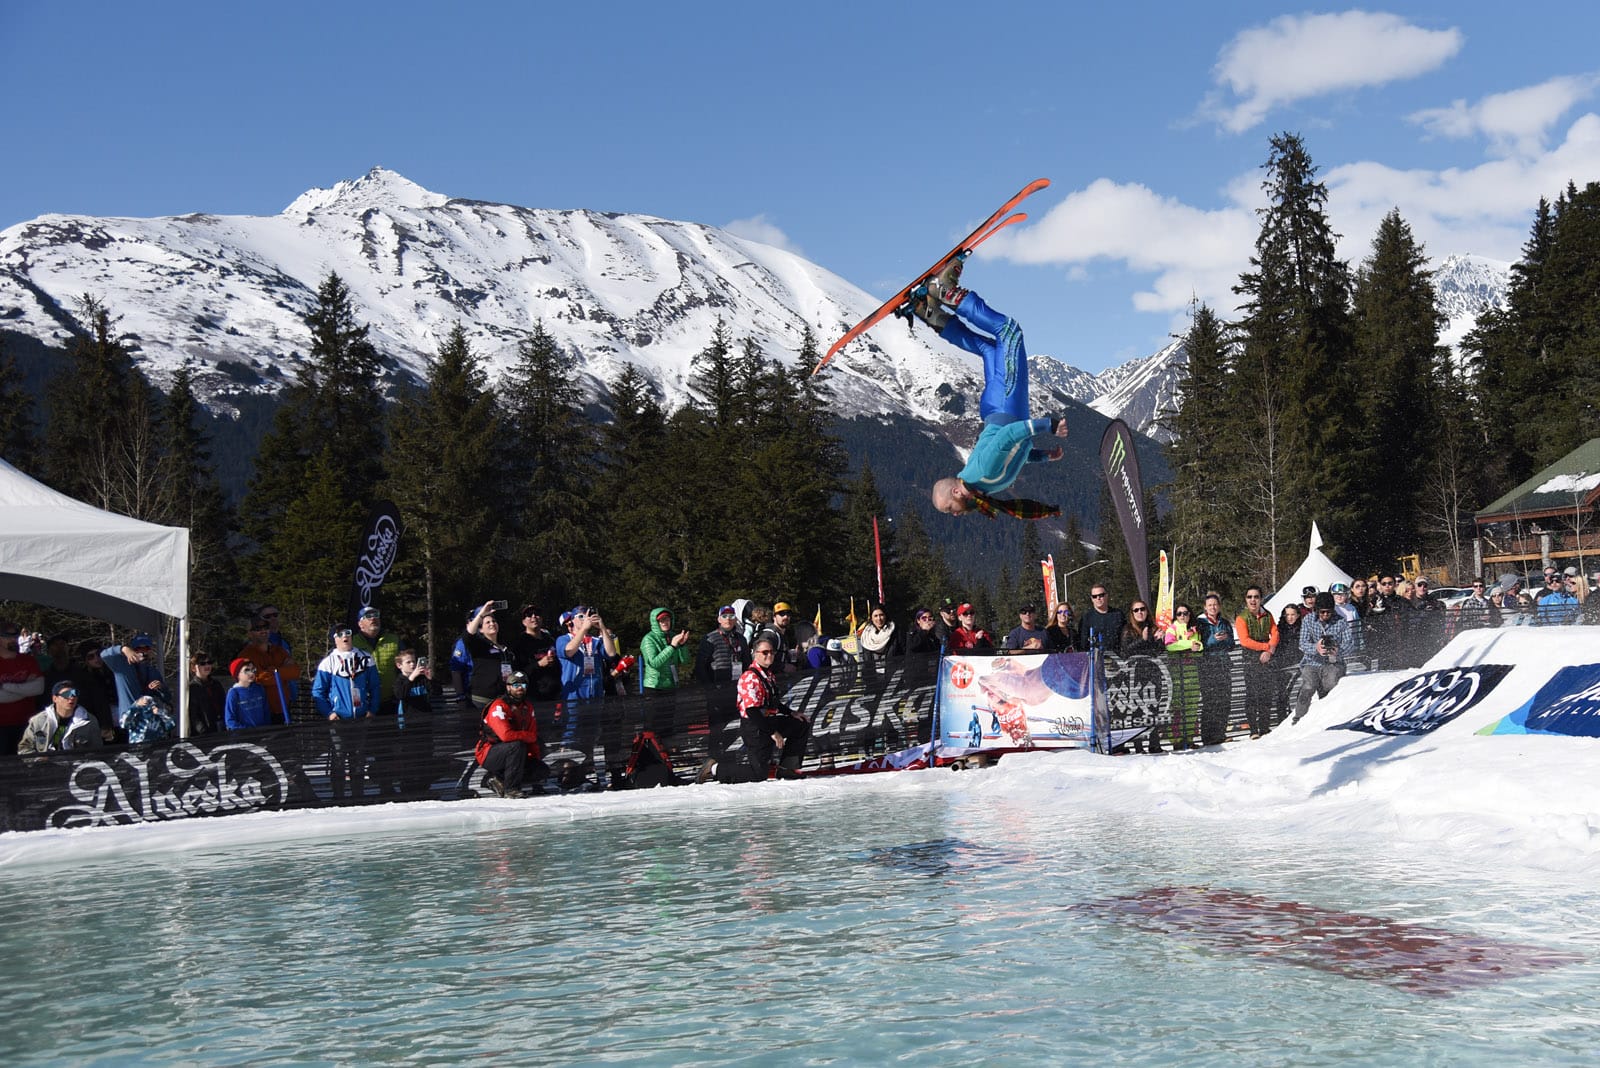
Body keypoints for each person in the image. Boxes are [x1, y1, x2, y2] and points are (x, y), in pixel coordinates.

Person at [917, 264, 1069, 521]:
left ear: (956, 491)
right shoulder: (983, 485)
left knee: (1010, 332)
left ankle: (947, 292)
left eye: (950, 508)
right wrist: (1043, 457)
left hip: (1005, 406)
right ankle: (930, 313)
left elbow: (1009, 436)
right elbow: (1012, 456)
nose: (954, 514)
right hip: (996, 410)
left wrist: (1049, 425)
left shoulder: (981, 473)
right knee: (990, 350)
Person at [312, 624, 380, 799]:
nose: (345, 637)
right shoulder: (329, 662)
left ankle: (358, 796)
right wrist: (329, 713)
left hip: (361, 717)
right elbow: (318, 692)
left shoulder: (365, 658)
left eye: (348, 633)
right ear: (334, 639)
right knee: (339, 758)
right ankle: (339, 796)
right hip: (339, 719)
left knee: (358, 758)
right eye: (340, 634)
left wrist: (372, 709)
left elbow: (375, 686)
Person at [733, 636, 810, 780]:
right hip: (755, 727)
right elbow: (752, 711)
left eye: (772, 652)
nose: (770, 655)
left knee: (801, 724)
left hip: (769, 720)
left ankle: (787, 768)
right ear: (755, 654)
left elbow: (773, 703)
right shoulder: (750, 677)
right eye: (765, 652)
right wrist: (773, 733)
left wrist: (792, 713)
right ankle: (715, 768)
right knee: (758, 775)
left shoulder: (768, 674)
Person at [474, 672, 548, 798]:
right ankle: (511, 789)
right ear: (508, 687)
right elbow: (506, 736)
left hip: (515, 750)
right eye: (516, 684)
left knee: (541, 770)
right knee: (516, 746)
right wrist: (528, 736)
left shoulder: (527, 707)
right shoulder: (499, 706)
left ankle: (498, 780)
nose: (520, 688)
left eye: (523, 684)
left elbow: (533, 735)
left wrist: (533, 760)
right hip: (489, 752)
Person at [1292, 592, 1356, 724]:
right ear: (1317, 610)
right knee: (1308, 686)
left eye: (1328, 612)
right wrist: (1316, 648)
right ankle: (1299, 717)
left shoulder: (1341, 621)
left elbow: (1350, 644)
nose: (1325, 615)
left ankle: (1330, 717)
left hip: (1333, 663)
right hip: (1312, 661)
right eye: (1322, 612)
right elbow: (1302, 643)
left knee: (1331, 684)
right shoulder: (1308, 620)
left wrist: (1338, 650)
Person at [101, 632, 170, 735]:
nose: (143, 652)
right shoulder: (121, 666)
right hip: (128, 722)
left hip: (147, 724)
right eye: (138, 649)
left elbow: (167, 698)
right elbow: (103, 655)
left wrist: (161, 688)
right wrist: (123, 649)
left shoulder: (152, 671)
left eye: (146, 648)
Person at [1233, 586, 1279, 739]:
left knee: (1266, 692)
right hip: (1250, 658)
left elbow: (1275, 632)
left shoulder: (1267, 615)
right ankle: (1253, 729)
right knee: (1252, 693)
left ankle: (1265, 727)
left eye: (1256, 597)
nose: (1253, 600)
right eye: (1250, 597)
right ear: (1246, 599)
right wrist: (1266, 647)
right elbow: (1245, 641)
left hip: (1267, 656)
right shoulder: (1241, 618)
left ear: (1260, 599)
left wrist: (1269, 651)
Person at [237, 618, 300, 724]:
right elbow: (259, 678)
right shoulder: (246, 655)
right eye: (258, 628)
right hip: (260, 711)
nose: (263, 631)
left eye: (266, 627)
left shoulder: (280, 651)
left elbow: (295, 672)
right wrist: (283, 671)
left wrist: (273, 671)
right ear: (250, 633)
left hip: (283, 709)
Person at [18, 681, 104, 755]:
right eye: (66, 694)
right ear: (55, 699)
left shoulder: (88, 720)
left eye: (75, 694)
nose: (72, 697)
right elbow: (24, 748)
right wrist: (38, 760)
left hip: (77, 768)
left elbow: (97, 750)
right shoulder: (38, 721)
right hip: (46, 768)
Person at [1194, 592, 1235, 746]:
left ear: (1219, 606)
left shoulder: (1224, 622)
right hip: (1207, 665)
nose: (1213, 607)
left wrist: (1227, 639)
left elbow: (1232, 645)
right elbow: (1199, 644)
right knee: (1210, 701)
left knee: (1224, 700)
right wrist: (1212, 639)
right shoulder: (1200, 622)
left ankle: (1220, 732)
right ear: (1205, 607)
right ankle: (1208, 735)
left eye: (1215, 604)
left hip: (1224, 664)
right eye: (1210, 605)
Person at [0, 620, 47, 754]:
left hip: (27, 724)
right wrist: (25, 689)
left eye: (15, 637)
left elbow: (38, 688)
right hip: (1, 727)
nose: (13, 640)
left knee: (28, 765)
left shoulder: (28, 660)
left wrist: (5, 686)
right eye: (8, 637)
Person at [1163, 604, 1203, 750]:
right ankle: (1177, 739)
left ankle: (1190, 737)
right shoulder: (1172, 629)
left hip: (1192, 672)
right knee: (1177, 707)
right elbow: (1169, 645)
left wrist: (1196, 646)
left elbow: (1199, 646)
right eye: (1179, 614)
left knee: (1192, 707)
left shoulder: (1194, 629)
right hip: (1177, 674)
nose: (1182, 616)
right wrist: (1188, 644)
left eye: (1185, 613)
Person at [462, 602, 515, 708]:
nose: (492, 624)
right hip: (482, 700)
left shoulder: (505, 648)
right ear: (481, 629)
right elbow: (467, 636)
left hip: (503, 699)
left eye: (494, 621)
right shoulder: (479, 645)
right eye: (487, 622)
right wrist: (482, 613)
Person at [351, 607, 402, 707]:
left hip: (390, 701)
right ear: (360, 624)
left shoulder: (394, 640)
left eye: (376, 615)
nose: (373, 618)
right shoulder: (352, 642)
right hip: (362, 702)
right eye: (368, 616)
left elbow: (406, 664)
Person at [639, 606, 693, 693]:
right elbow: (654, 663)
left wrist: (682, 646)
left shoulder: (673, 636)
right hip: (654, 686)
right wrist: (672, 647)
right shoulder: (648, 639)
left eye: (667, 619)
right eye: (661, 620)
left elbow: (685, 661)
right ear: (655, 622)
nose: (665, 623)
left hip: (671, 685)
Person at [224, 659, 273, 730]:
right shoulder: (234, 693)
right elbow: (230, 720)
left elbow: (266, 711)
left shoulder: (259, 688)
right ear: (237, 674)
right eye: (247, 670)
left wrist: (266, 728)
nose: (251, 673)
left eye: (253, 669)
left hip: (262, 732)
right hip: (244, 735)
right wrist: (245, 730)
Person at [1077, 586, 1125, 654]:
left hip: (1116, 657)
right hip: (1095, 659)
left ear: (1107, 596)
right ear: (1091, 599)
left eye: (1101, 595)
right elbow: (1082, 644)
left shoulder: (1118, 614)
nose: (1098, 598)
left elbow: (1124, 639)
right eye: (1094, 596)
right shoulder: (1086, 618)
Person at [186, 652, 225, 735]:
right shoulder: (193, 688)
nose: (207, 666)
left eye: (209, 662)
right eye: (202, 663)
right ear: (193, 668)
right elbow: (193, 714)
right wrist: (202, 730)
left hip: (220, 726)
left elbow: (224, 704)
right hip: (204, 732)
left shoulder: (216, 684)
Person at [857, 606, 898, 672]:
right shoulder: (866, 637)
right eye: (875, 616)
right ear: (871, 618)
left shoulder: (895, 633)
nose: (879, 618)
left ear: (885, 616)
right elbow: (866, 661)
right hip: (874, 678)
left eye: (881, 615)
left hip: (894, 675)